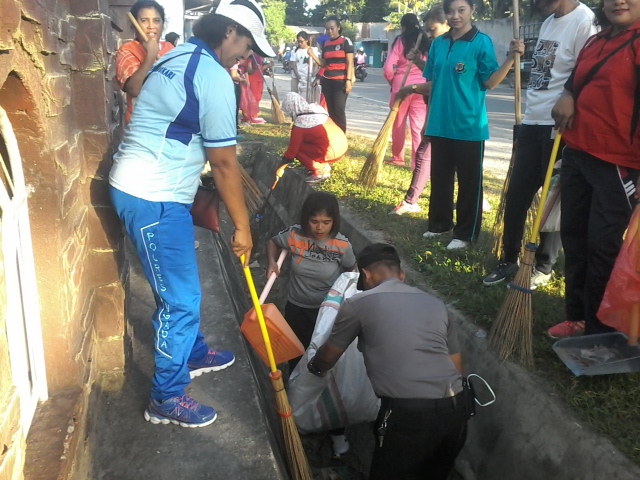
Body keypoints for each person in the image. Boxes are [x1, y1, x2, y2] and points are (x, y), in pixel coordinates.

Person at [108, 0, 275, 427]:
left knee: (185, 283)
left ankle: (194, 352)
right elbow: (223, 164)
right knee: (180, 301)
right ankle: (166, 396)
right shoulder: (214, 77)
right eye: (248, 45)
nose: (247, 56)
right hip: (153, 196)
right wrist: (243, 227)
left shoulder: (178, 54)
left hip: (154, 188)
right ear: (231, 32)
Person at [308, 243, 468, 479]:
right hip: (456, 412)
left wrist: (314, 367)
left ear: (365, 274)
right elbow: (457, 368)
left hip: (407, 416)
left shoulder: (358, 304)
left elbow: (328, 356)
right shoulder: (436, 305)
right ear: (401, 275)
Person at [483, 0, 597, 288]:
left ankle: (544, 266)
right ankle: (509, 259)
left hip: (557, 125)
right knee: (518, 193)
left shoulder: (585, 21)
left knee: (552, 197)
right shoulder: (548, 22)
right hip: (532, 120)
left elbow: (588, 73)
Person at [396, 0, 524, 250]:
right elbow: (435, 81)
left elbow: (490, 82)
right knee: (441, 178)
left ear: (472, 11)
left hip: (468, 124)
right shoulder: (439, 44)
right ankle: (439, 224)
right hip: (441, 122)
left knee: (469, 183)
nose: (455, 16)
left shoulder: (481, 42)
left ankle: (465, 234)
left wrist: (511, 58)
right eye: (451, 11)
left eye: (461, 10)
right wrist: (429, 120)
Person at [548, 0, 640, 338]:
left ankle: (601, 331)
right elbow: (576, 80)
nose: (619, 2)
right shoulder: (596, 40)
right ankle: (577, 316)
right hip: (578, 152)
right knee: (575, 238)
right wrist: (568, 94)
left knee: (603, 245)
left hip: (619, 163)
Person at [266, 191, 355, 456]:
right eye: (314, 221)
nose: (319, 227)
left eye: (325, 222)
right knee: (296, 361)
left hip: (327, 317)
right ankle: (299, 418)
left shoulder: (342, 246)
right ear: (306, 219)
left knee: (324, 367)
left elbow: (353, 274)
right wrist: (272, 262)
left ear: (334, 222)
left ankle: (336, 430)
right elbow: (273, 242)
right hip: (296, 311)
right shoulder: (294, 236)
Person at [390, 5, 450, 216]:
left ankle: (413, 200)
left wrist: (412, 88)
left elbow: (443, 82)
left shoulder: (455, 47)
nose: (428, 34)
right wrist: (417, 61)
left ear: (446, 24)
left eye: (432, 29)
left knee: (436, 153)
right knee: (426, 151)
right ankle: (412, 199)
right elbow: (432, 74)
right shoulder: (437, 46)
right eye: (427, 29)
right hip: (433, 105)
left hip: (450, 110)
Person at [383, 13, 431, 170]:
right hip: (422, 87)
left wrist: (393, 82)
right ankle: (416, 163)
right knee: (418, 126)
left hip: (402, 88)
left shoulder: (400, 40)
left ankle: (398, 157)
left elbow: (388, 69)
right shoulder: (427, 41)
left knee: (398, 123)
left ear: (403, 26)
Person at [115, 0, 174, 125]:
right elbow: (134, 90)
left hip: (169, 126)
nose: (151, 26)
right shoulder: (127, 51)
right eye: (144, 20)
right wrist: (151, 56)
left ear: (163, 25)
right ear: (134, 25)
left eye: (156, 20)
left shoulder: (171, 49)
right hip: (141, 128)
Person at [281, 92, 348, 183]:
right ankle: (323, 164)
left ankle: (320, 171)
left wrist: (280, 168)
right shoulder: (316, 109)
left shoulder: (301, 124)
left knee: (297, 149)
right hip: (342, 147)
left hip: (331, 151)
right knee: (308, 143)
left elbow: (292, 152)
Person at [308, 16, 354, 132]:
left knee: (339, 110)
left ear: (338, 28)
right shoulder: (326, 44)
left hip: (341, 82)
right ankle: (334, 136)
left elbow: (350, 62)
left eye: (332, 28)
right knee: (331, 111)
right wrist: (313, 56)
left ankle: (342, 136)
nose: (329, 31)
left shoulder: (345, 41)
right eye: (327, 29)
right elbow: (324, 63)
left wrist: (348, 81)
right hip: (327, 81)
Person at [291, 31, 319, 102]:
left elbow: (316, 64)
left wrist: (313, 74)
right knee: (295, 97)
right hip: (297, 77)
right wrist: (298, 76)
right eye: (298, 42)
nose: (300, 44)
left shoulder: (313, 50)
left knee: (308, 98)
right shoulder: (295, 51)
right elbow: (293, 65)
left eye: (301, 41)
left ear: (306, 40)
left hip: (308, 78)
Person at [240, 55, 266, 124]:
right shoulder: (247, 54)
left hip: (258, 78)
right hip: (248, 78)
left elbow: (254, 69)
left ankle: (253, 115)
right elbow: (246, 68)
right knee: (247, 99)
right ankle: (248, 116)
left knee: (257, 97)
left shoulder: (258, 56)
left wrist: (255, 69)